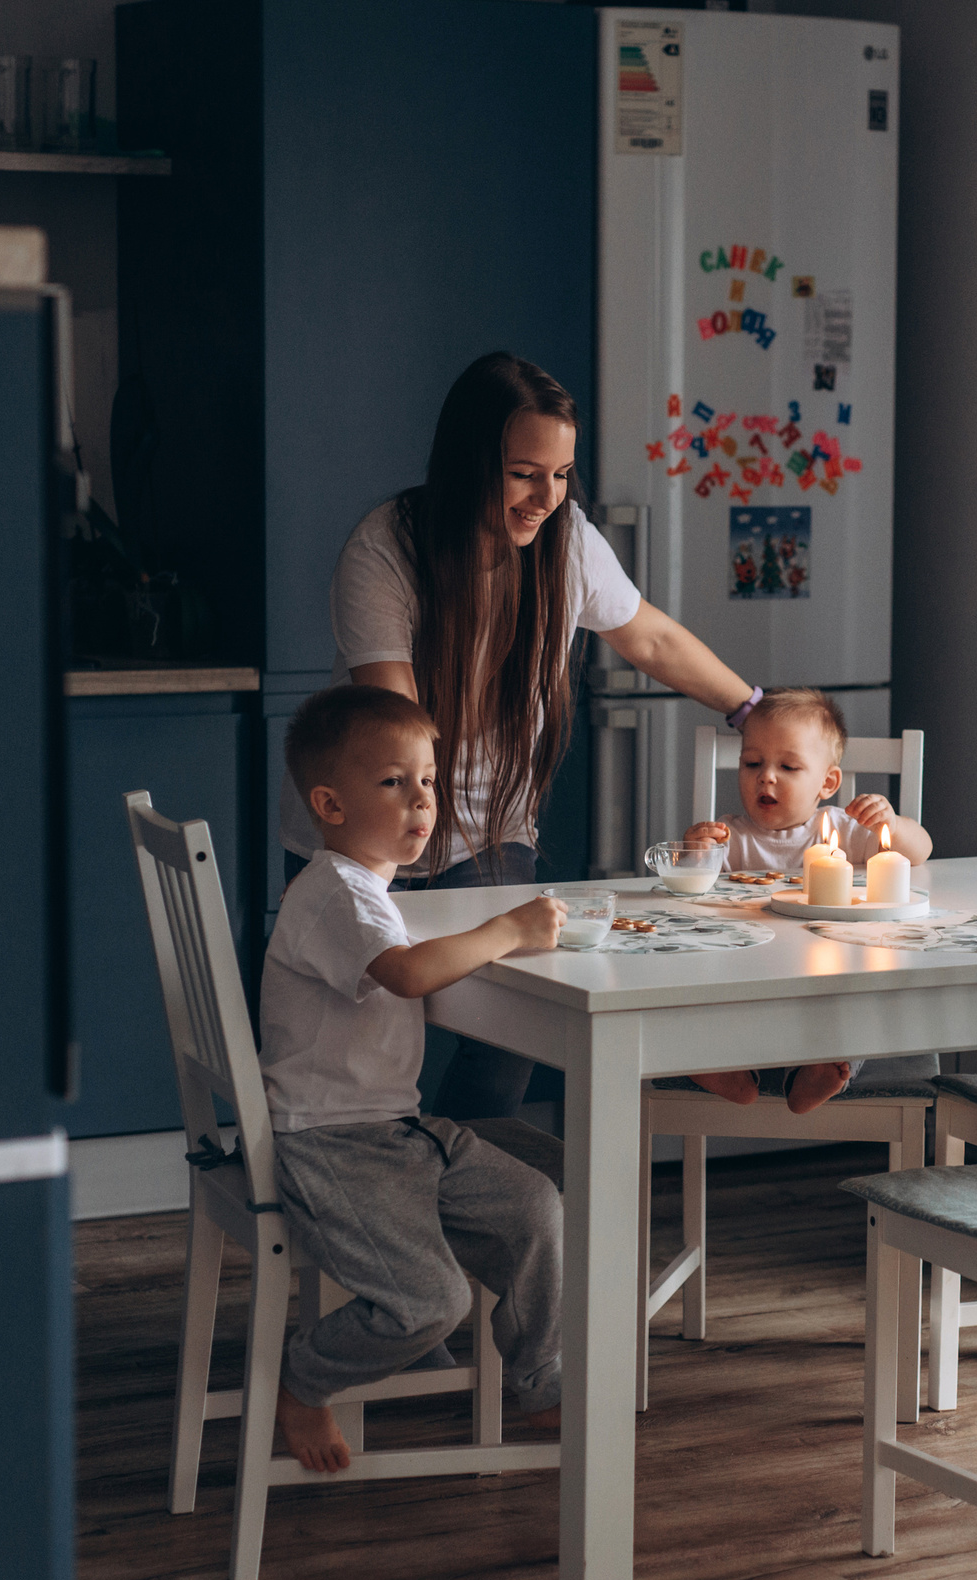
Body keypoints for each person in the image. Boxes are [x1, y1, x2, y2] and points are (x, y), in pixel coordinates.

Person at [280, 350, 761, 1120]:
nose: (548, 498)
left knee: (509, 1037)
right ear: (471, 463)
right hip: (371, 823)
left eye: (562, 474)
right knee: (362, 1039)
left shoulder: (567, 542)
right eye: (523, 473)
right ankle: (389, 1174)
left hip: (491, 831)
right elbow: (396, 733)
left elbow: (653, 640)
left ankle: (458, 1190)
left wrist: (753, 709)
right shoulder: (385, 550)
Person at [259, 684, 570, 1471]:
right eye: (393, 783)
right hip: (333, 1141)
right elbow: (405, 974)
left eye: (428, 780)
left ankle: (539, 1380)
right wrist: (503, 929)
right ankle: (304, 1379)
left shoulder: (368, 890)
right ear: (329, 803)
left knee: (535, 1206)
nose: (421, 801)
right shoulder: (334, 892)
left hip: (397, 1129)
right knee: (431, 1302)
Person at [681, 688, 934, 1114]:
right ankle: (725, 1066)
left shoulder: (843, 827)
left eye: (789, 766)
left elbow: (920, 851)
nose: (766, 777)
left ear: (828, 782)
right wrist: (694, 851)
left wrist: (892, 824)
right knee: (700, 982)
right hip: (754, 973)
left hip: (831, 972)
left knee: (861, 994)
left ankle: (821, 1069)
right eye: (752, 763)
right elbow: (690, 893)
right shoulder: (731, 836)